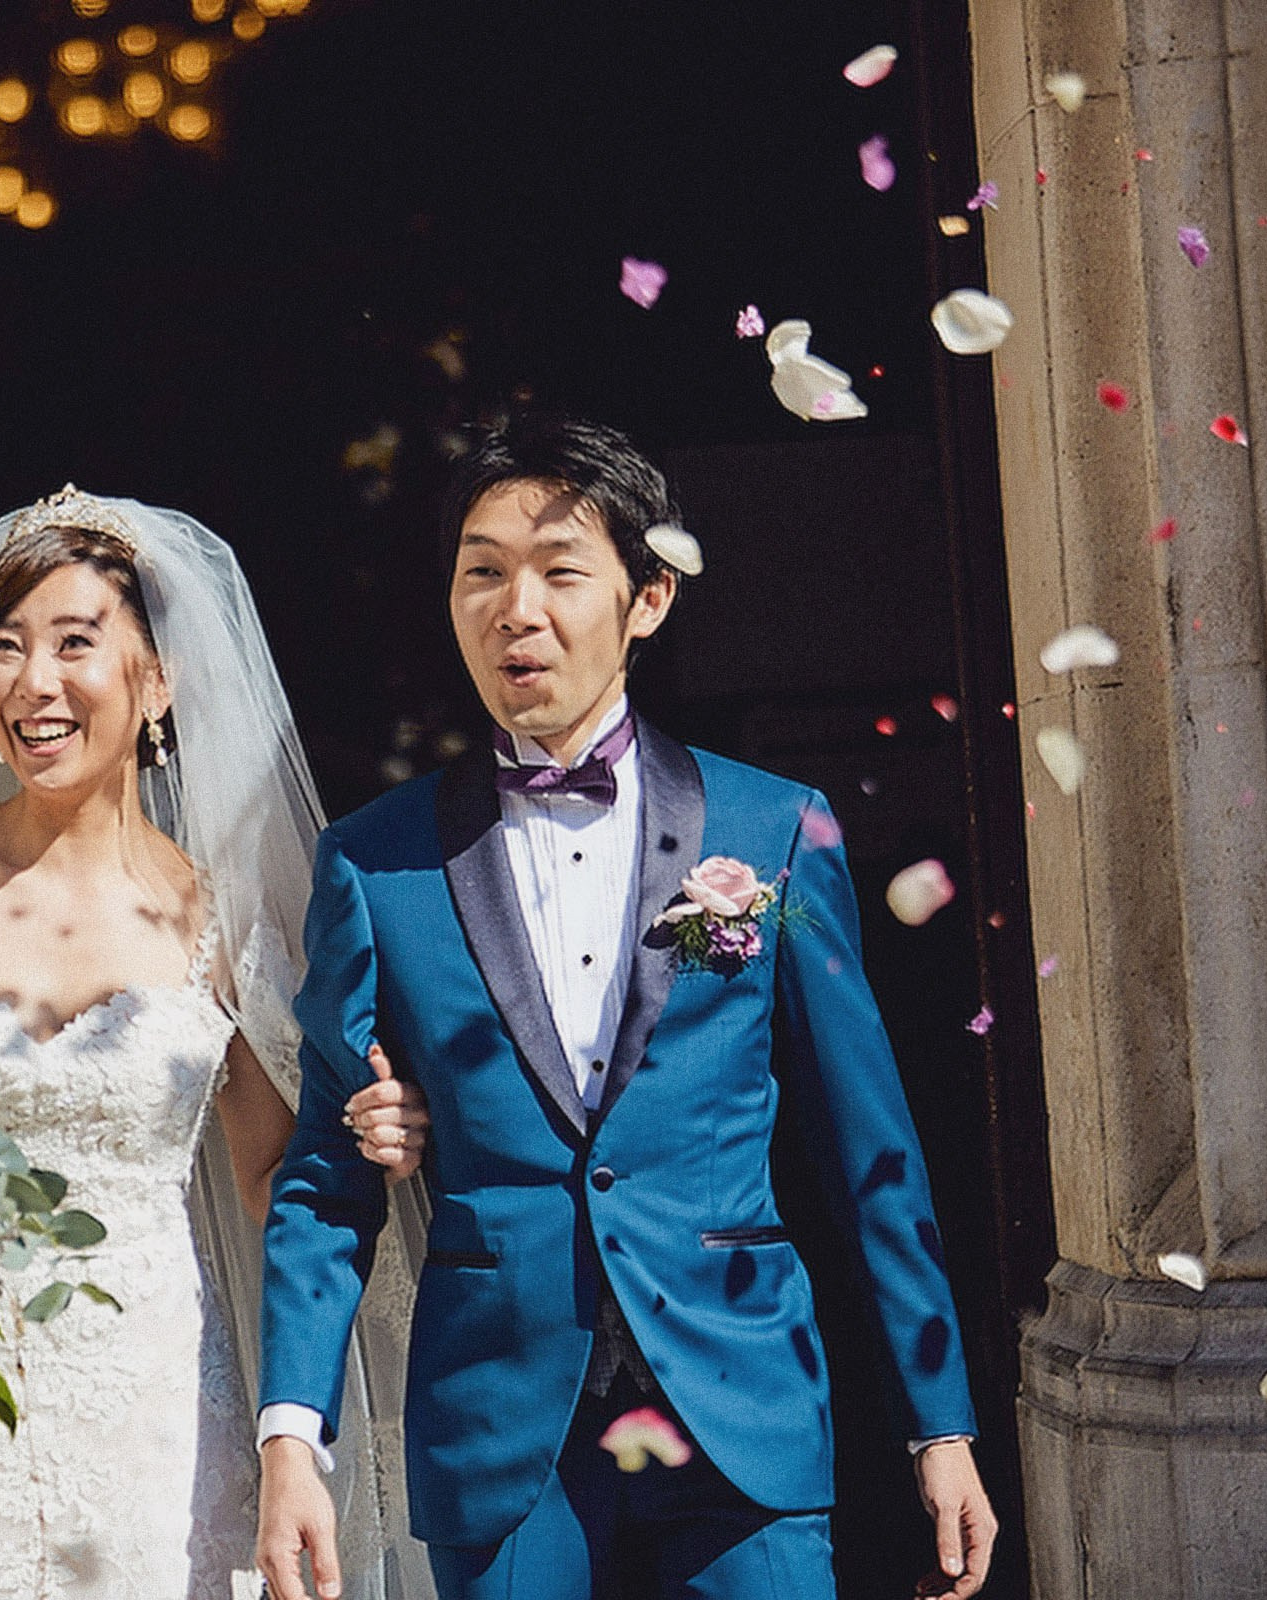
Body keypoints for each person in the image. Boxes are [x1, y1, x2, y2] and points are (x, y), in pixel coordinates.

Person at [254, 416, 998, 1600]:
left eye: (559, 570)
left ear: (647, 597)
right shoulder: (374, 864)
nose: (516, 608)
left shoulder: (774, 829)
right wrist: (292, 1435)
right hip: (502, 1437)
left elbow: (871, 1152)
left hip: (742, 1410)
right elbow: (323, 1179)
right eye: (483, 572)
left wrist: (940, 1424)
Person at [0, 487, 435, 1600]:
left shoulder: (217, 916)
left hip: (157, 1404)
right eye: (4, 648)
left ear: (160, 677)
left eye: (75, 643)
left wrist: (383, 1137)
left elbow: (279, 1176)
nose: (34, 683)